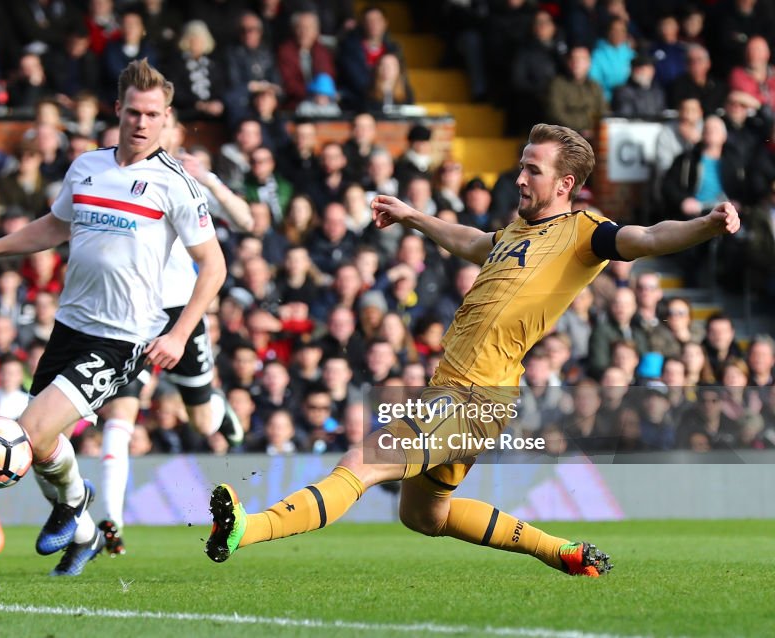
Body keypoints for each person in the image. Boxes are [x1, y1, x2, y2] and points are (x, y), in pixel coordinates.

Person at [206, 123, 741, 578]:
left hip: (474, 394)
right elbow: (468, 240)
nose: (521, 176)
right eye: (522, 165)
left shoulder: (586, 233)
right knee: (424, 516)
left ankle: (248, 529)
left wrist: (707, 225)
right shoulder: (515, 232)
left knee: (363, 460)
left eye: (534, 169)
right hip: (461, 391)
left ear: (565, 183)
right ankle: (563, 552)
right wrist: (414, 216)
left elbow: (647, 238)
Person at [0, 59, 226, 577]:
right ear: (118, 110)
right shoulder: (87, 167)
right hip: (70, 325)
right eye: (135, 112)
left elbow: (214, 265)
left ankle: (73, 507)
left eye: (154, 115)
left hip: (122, 338)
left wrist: (179, 332)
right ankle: (83, 529)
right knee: (45, 442)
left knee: (27, 434)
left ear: (166, 118)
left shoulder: (175, 185)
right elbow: (54, 226)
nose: (143, 123)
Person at [91, 108, 246, 556]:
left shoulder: (184, 178)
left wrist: (212, 179)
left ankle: (220, 410)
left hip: (181, 310)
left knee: (202, 421)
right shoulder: (108, 177)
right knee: (120, 414)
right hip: (129, 312)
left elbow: (249, 221)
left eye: (161, 120)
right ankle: (112, 524)